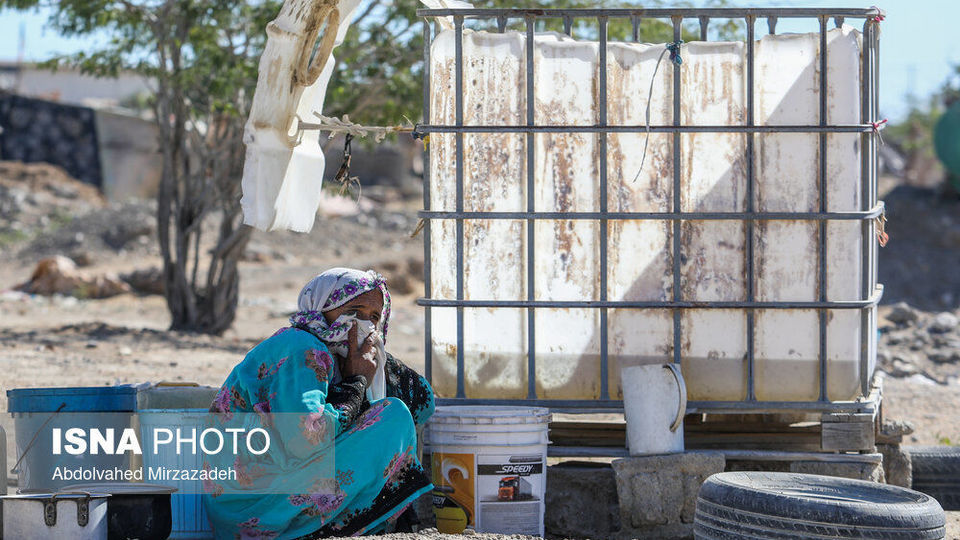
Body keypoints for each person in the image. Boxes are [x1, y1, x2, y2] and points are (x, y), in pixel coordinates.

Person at [202, 267, 435, 539]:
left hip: (266, 500)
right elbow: (304, 440)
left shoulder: (335, 356)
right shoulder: (300, 346)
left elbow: (424, 402)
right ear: (321, 309)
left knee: (392, 414)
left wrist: (377, 358)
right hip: (254, 507)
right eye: (354, 312)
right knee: (393, 418)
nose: (364, 325)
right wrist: (356, 381)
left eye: (374, 318)